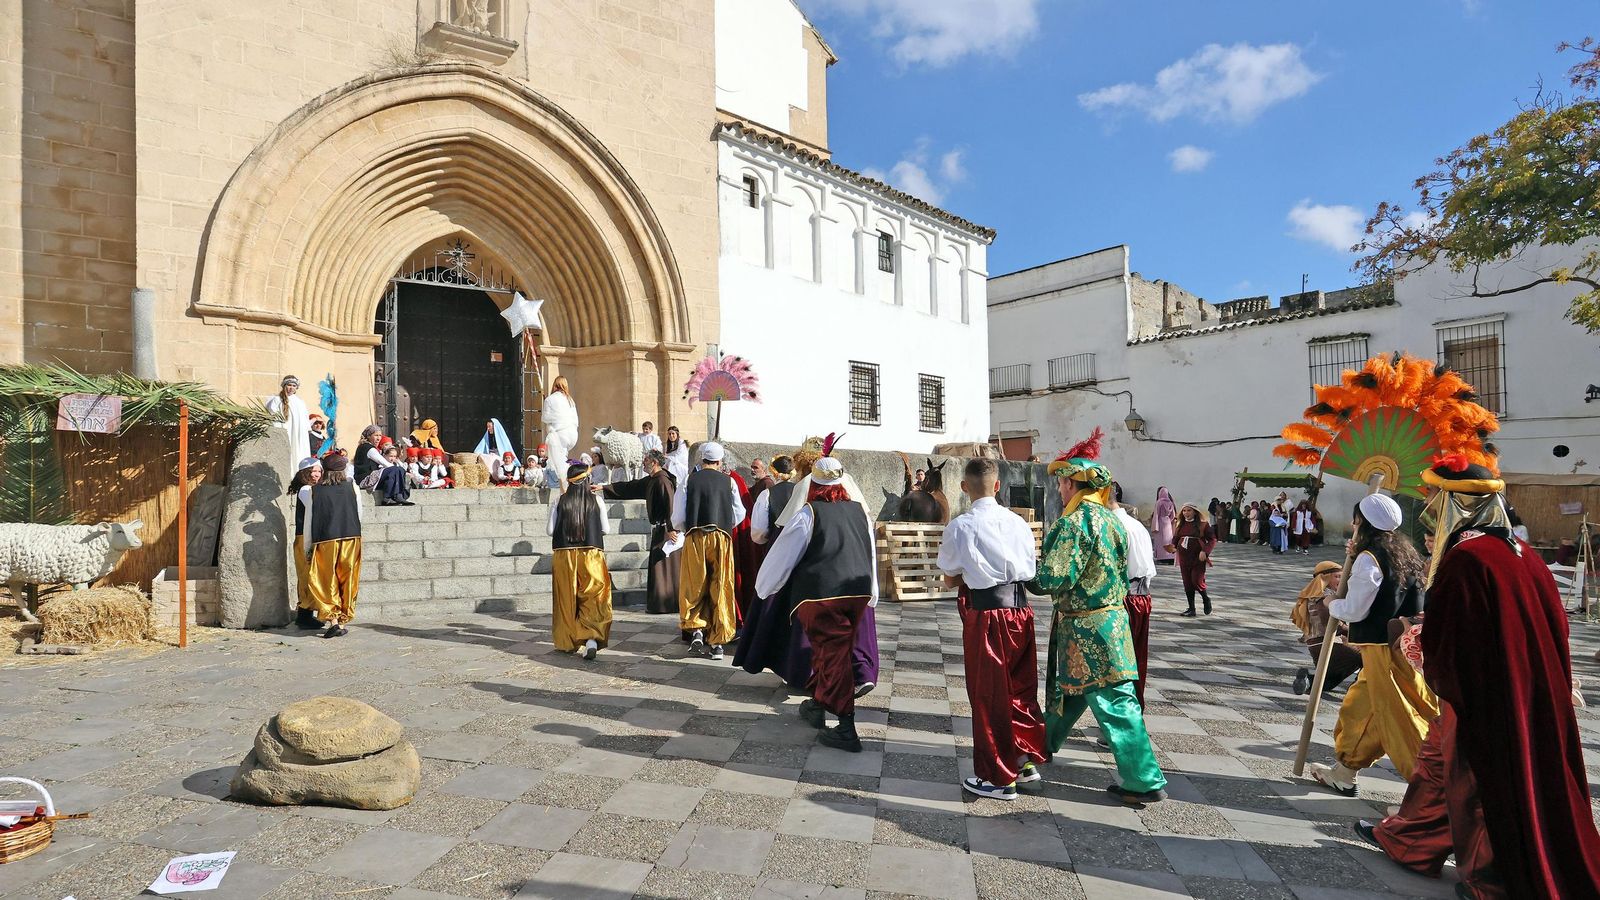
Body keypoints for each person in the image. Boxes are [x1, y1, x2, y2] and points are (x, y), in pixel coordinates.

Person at [1357, 455, 1600, 898]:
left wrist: (1414, 639)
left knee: (1477, 783)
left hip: (1486, 697)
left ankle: (1491, 882)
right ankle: (1409, 841)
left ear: (1456, 505)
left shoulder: (1468, 557)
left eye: (1435, 495)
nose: (1428, 505)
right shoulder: (1523, 554)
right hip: (1518, 686)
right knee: (1435, 762)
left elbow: (1451, 646)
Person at [1035, 447, 1167, 805]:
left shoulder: (1073, 523)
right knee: (1071, 694)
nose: (1060, 490)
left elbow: (1054, 577)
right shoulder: (1115, 522)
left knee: (1114, 701)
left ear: (1074, 485)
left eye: (1063, 483)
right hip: (1113, 620)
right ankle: (1035, 749)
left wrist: (1022, 574)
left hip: (1086, 628)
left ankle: (1144, 779)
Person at [1308, 494, 1438, 797]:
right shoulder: (1404, 551)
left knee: (1399, 717)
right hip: (1399, 646)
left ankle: (1433, 791)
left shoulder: (1370, 559)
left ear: (1362, 524)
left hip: (1383, 650)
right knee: (1361, 709)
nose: (1353, 527)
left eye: (1356, 523)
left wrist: (1332, 603)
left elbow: (1355, 609)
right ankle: (1345, 772)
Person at [938, 457, 1045, 800]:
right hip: (1021, 612)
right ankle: (1022, 758)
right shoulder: (1018, 523)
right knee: (1019, 688)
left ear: (963, 487)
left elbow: (949, 577)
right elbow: (1029, 568)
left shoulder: (961, 526)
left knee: (987, 695)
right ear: (998, 486)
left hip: (987, 616)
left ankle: (998, 777)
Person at [755, 456, 876, 753]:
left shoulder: (809, 514)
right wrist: (872, 593)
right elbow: (869, 552)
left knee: (832, 656)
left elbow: (784, 554)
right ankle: (817, 704)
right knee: (831, 653)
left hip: (821, 595)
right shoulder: (860, 511)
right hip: (857, 593)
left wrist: (765, 588)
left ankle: (846, 727)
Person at [670, 441, 744, 659]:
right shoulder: (729, 481)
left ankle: (697, 629)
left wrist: (688, 527)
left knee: (694, 584)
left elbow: (678, 517)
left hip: (695, 535)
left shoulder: (689, 480)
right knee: (720, 585)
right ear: (720, 461)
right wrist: (724, 523)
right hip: (721, 536)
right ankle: (718, 642)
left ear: (702, 460)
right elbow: (739, 513)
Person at [602, 449, 679, 614]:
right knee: (658, 568)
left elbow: (670, 505)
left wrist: (671, 528)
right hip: (661, 529)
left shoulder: (662, 481)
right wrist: (604, 488)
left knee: (662, 569)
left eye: (646, 460)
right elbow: (631, 486)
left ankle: (665, 604)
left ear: (654, 462)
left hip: (666, 530)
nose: (643, 462)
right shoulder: (653, 479)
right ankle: (658, 604)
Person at [549, 463, 612, 660]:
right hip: (591, 554)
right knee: (593, 596)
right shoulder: (597, 501)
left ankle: (568, 641)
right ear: (586, 480)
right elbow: (606, 529)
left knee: (566, 598)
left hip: (564, 555)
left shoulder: (559, 501)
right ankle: (591, 639)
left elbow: (550, 531)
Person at [302, 450, 363, 638]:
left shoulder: (315, 490)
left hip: (325, 539)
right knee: (348, 577)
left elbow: (309, 521)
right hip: (351, 536)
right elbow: (359, 513)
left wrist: (307, 546)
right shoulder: (353, 487)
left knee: (326, 579)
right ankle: (342, 618)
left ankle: (333, 620)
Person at [1110, 482, 1155, 704]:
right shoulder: (1136, 525)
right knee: (1135, 659)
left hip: (1123, 598)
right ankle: (1134, 712)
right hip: (1142, 596)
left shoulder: (1112, 526)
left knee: (1118, 665)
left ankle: (1123, 723)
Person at [1289, 561, 1361, 696]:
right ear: (1325, 578)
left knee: (1327, 680)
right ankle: (1360, 690)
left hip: (1314, 645)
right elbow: (1330, 621)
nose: (1341, 580)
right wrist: (1351, 631)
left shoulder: (1313, 594)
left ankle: (1307, 681)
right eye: (1337, 577)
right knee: (1366, 657)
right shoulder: (1326, 596)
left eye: (1342, 576)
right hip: (1329, 644)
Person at [289, 457, 324, 630]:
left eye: (318, 471)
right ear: (305, 473)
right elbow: (315, 506)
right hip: (304, 537)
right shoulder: (305, 489)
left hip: (312, 536)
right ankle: (304, 614)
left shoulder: (315, 489)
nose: (316, 474)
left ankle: (308, 612)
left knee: (312, 574)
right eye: (312, 471)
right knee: (305, 575)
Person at [1170, 503, 1216, 616]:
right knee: (1187, 582)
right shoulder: (1180, 525)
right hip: (1184, 557)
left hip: (1197, 557)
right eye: (1184, 511)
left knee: (1197, 581)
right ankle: (1191, 608)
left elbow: (1212, 539)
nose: (1186, 513)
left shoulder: (1203, 525)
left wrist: (1205, 551)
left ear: (1195, 511)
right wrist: (1172, 547)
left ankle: (1206, 599)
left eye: (1189, 510)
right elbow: (1175, 539)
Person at [266, 375, 312, 473]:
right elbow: (274, 419)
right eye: (289, 385)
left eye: (294, 386)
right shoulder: (277, 400)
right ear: (284, 386)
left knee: (298, 454)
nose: (291, 388)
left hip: (298, 436)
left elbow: (305, 423)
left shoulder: (300, 403)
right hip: (284, 433)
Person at [542, 375, 579, 489]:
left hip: (560, 434)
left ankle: (563, 487)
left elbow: (545, 418)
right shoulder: (570, 400)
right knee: (563, 458)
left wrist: (546, 403)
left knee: (559, 462)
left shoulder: (550, 399)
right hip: (572, 435)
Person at [1151, 487, 1176, 565]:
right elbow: (1173, 516)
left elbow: (1156, 514)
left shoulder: (1159, 502)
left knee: (1160, 540)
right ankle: (1170, 556)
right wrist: (1171, 522)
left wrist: (1155, 526)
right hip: (1168, 522)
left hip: (1160, 522)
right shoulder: (1171, 503)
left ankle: (1162, 557)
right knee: (1168, 539)